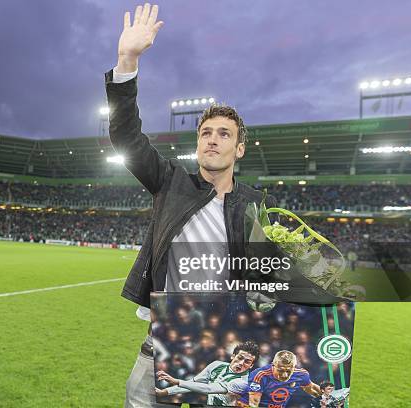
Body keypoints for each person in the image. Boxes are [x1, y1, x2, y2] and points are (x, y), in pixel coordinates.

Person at [105, 3, 276, 406]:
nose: (212, 139)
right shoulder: (171, 181)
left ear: (240, 148)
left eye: (223, 133)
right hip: (161, 343)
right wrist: (127, 60)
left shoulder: (254, 206)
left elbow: (266, 279)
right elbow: (127, 138)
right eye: (205, 133)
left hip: (221, 348)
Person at [155, 341, 259, 406]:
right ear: (233, 356)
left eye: (247, 361)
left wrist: (176, 381)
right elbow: (192, 384)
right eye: (240, 358)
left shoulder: (243, 382)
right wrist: (165, 392)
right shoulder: (217, 365)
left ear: (251, 366)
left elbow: (209, 389)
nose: (241, 363)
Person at [236, 350, 322, 407]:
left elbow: (313, 390)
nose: (284, 375)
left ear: (294, 367)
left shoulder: (301, 375)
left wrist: (329, 399)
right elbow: (253, 404)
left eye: (288, 371)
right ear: (273, 365)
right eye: (280, 370)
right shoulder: (260, 375)